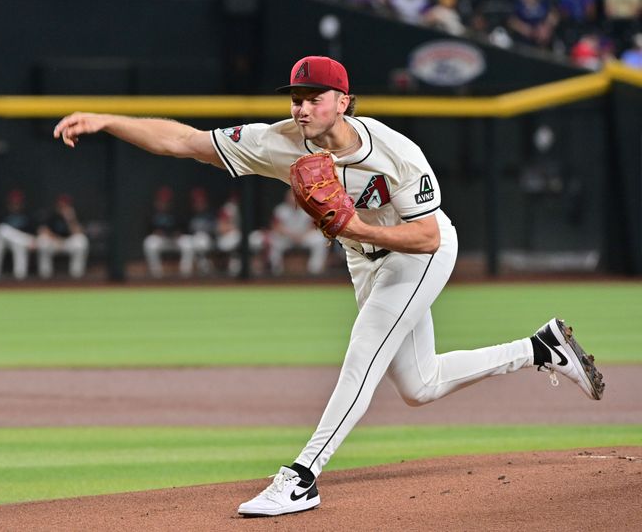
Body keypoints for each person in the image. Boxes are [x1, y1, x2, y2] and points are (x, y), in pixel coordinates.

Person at [53, 55, 605, 517]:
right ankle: (541, 348)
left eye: (314, 96)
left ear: (343, 101)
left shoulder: (395, 153)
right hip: (367, 261)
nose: (301, 106)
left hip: (416, 254)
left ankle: (302, 476)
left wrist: (356, 227)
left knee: (362, 355)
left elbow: (430, 237)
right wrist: (106, 120)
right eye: (296, 96)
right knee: (420, 386)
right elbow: (186, 141)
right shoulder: (279, 141)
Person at [265, 188, 330, 276]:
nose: (293, 198)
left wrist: (301, 235)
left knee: (320, 239)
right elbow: (276, 227)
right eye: (291, 196)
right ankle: (277, 270)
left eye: (295, 196)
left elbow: (313, 226)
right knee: (273, 240)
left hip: (303, 237)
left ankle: (315, 270)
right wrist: (290, 235)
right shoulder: (281, 209)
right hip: (286, 238)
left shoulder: (308, 208)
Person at [36, 194, 89, 279]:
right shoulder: (51, 214)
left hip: (68, 243)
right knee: (42, 241)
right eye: (61, 205)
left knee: (81, 240)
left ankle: (76, 275)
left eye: (65, 205)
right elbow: (42, 230)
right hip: (54, 242)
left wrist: (70, 219)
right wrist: (56, 239)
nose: (63, 207)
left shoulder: (73, 215)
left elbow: (78, 232)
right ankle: (45, 275)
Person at [0, 189, 37, 280]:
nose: (15, 205)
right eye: (13, 203)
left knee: (16, 243)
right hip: (5, 242)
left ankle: (20, 277)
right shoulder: (2, 214)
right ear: (9, 203)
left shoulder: (27, 215)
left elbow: (33, 232)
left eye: (17, 203)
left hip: (22, 242)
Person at [142, 186, 187, 278]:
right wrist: (155, 232)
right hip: (161, 241)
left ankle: (186, 274)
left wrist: (178, 232)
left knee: (188, 243)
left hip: (175, 241)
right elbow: (147, 230)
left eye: (166, 201)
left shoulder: (176, 212)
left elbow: (184, 228)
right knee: (149, 242)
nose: (164, 203)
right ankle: (156, 274)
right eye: (162, 201)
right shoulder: (151, 213)